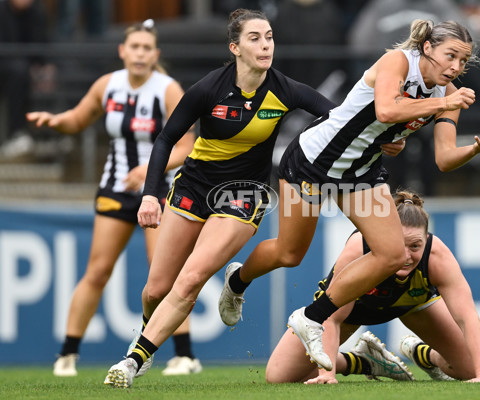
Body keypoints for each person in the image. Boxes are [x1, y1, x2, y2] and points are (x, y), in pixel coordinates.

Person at [218, 19, 480, 371]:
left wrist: (476, 149)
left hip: (360, 173)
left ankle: (313, 317)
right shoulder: (399, 62)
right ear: (428, 48)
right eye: (451, 56)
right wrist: (438, 108)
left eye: (463, 61)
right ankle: (238, 280)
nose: (456, 68)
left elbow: (445, 159)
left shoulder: (449, 94)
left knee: (391, 253)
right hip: (314, 161)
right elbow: (387, 109)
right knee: (288, 252)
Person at [102, 9, 341, 388]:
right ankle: (148, 338)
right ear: (235, 47)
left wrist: (382, 136)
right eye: (254, 38)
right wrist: (151, 195)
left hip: (243, 196)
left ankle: (132, 361)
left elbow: (339, 118)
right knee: (155, 290)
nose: (265, 45)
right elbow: (166, 140)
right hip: (194, 187)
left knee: (192, 277)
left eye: (269, 37)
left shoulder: (284, 89)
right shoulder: (208, 89)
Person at [26, 19, 199, 377]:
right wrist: (54, 120)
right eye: (133, 47)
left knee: (162, 274)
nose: (139, 53)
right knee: (98, 271)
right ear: (122, 51)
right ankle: (67, 354)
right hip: (115, 189)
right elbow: (77, 119)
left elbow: (189, 146)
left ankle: (184, 355)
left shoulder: (167, 89)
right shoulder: (108, 85)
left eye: (146, 48)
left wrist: (148, 171)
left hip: (159, 192)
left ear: (156, 55)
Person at [265, 189, 480, 384]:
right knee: (279, 376)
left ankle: (425, 355)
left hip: (412, 305)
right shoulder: (359, 248)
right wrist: (328, 373)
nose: (406, 256)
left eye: (415, 246)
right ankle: (364, 361)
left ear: (426, 239)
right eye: (399, 244)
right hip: (351, 311)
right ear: (385, 235)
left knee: (472, 370)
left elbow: (468, 318)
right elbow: (332, 318)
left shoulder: (437, 256)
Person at [0, 0, 54, 158]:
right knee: (18, 71)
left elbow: (42, 45)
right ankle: (16, 134)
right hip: (6, 69)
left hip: (27, 72)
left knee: (51, 74)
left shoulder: (37, 12)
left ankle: (51, 137)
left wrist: (45, 66)